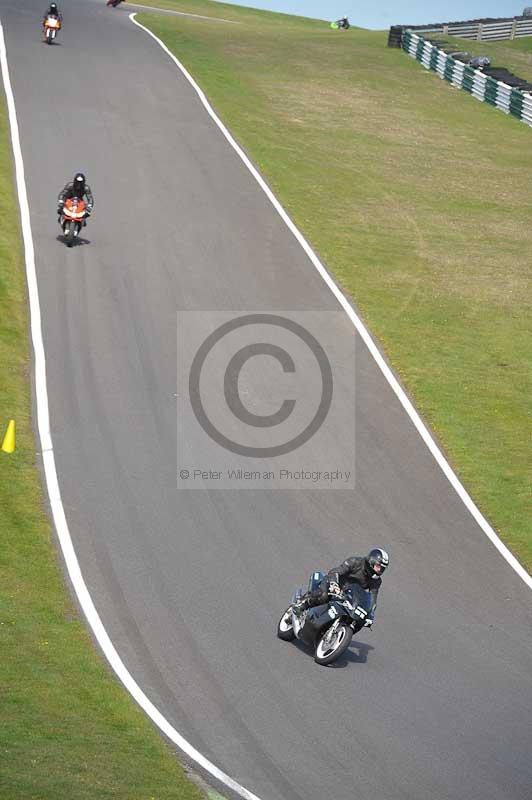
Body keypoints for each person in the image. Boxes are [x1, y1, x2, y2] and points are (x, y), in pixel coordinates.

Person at [293, 548, 389, 627]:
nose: (379, 570)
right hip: (334, 584)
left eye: (382, 568)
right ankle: (302, 604)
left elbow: (373, 599)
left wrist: (370, 615)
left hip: (347, 596)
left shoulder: (376, 581)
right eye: (378, 566)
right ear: (371, 561)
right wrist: (334, 584)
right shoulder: (355, 562)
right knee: (323, 596)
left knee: (359, 620)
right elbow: (336, 571)